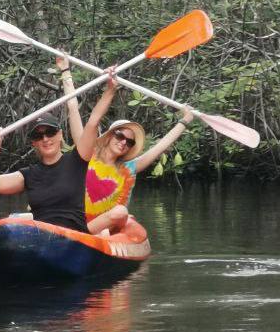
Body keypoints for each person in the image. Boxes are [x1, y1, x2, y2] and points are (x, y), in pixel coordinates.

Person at [57, 55, 193, 233]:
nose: (123, 143)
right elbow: (73, 108)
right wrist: (65, 70)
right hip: (74, 222)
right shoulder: (85, 154)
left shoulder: (129, 168)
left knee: (116, 217)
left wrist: (185, 121)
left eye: (129, 142)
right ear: (109, 135)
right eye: (120, 136)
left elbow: (161, 145)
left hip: (102, 229)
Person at [0, 69, 122, 235]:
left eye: (50, 132)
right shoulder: (29, 174)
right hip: (42, 237)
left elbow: (92, 123)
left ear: (60, 135)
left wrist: (109, 90)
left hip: (76, 236)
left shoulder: (78, 160)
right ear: (33, 143)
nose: (45, 139)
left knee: (120, 212)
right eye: (38, 135)